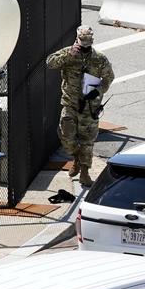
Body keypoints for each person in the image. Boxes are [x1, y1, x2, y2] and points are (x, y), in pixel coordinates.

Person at [46, 26, 114, 187]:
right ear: (77, 40)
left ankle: (84, 172)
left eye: (87, 43)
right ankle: (76, 156)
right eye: (82, 43)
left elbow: (108, 77)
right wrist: (69, 55)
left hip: (89, 106)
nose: (84, 47)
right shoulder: (68, 53)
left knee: (87, 140)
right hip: (70, 103)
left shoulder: (99, 59)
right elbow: (50, 63)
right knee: (66, 134)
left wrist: (96, 92)